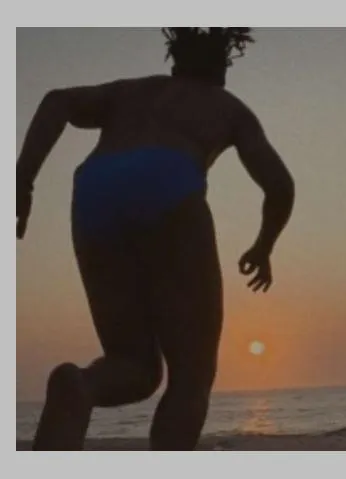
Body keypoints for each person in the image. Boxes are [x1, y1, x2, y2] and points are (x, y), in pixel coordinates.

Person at [16, 27, 295, 451]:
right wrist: (263, 246)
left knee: (133, 365)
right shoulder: (229, 109)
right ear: (221, 69)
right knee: (191, 377)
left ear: (176, 64)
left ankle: (80, 385)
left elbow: (58, 101)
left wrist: (23, 178)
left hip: (94, 193)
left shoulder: (129, 91)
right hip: (169, 183)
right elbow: (279, 186)